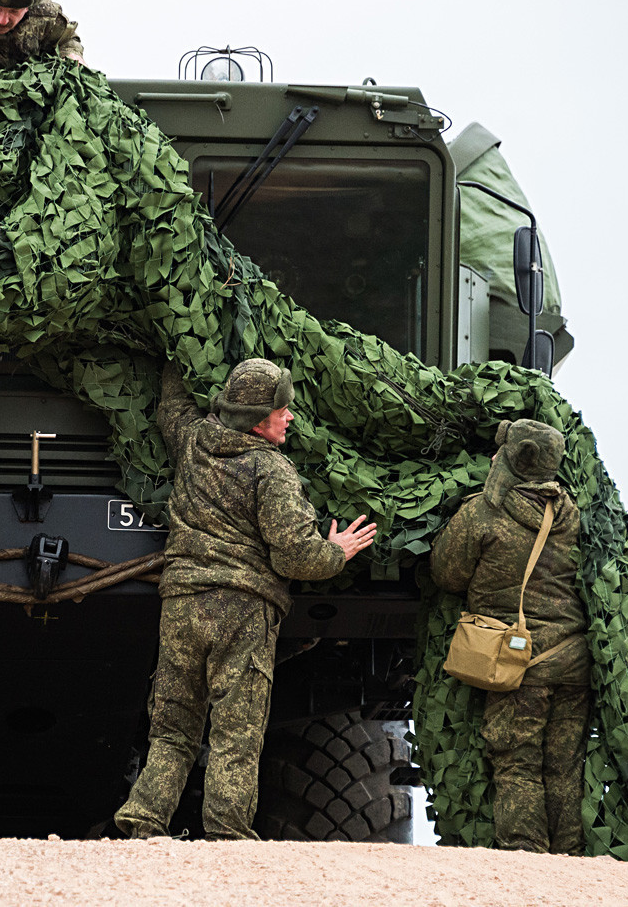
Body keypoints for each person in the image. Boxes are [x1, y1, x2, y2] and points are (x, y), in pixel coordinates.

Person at [112, 359, 377, 839]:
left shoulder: (194, 440)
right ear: (258, 419)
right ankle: (227, 836)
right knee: (237, 732)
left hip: (182, 604)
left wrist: (173, 353)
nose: (290, 417)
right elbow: (296, 557)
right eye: (282, 410)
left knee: (173, 728)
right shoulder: (270, 470)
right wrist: (337, 551)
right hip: (242, 608)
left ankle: (143, 823)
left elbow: (172, 406)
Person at [431, 419, 588, 854]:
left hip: (520, 662)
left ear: (518, 460)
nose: (494, 457)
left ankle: (526, 858)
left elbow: (446, 574)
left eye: (502, 451)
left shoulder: (484, 512)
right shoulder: (574, 515)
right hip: (575, 663)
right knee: (563, 767)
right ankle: (573, 864)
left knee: (517, 762)